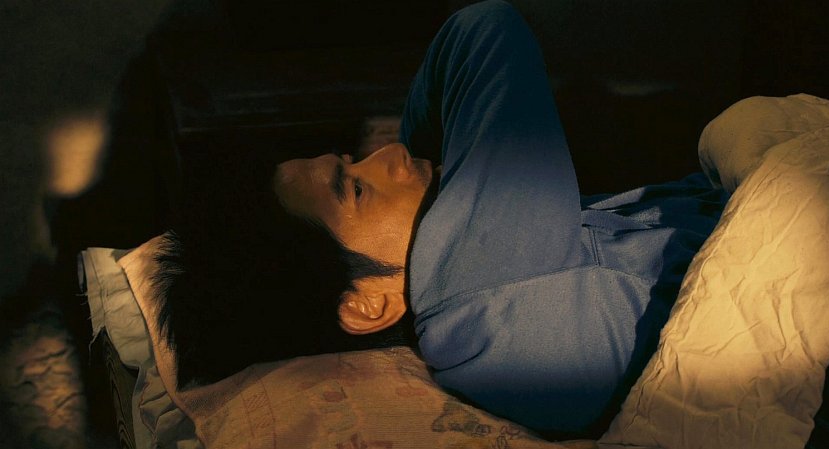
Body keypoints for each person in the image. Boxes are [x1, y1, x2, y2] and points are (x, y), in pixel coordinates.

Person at [155, 0, 728, 439]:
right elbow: (486, 28)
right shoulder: (482, 287)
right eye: (356, 189)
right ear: (365, 305)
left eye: (353, 161)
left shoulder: (476, 320)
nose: (390, 153)